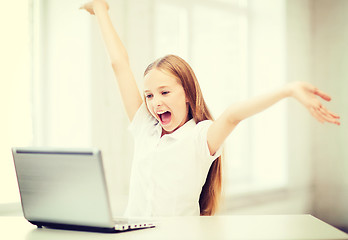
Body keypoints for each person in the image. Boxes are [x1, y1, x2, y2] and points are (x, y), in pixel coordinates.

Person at [80, 0, 340, 217]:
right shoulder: (144, 127)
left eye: (165, 92)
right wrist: (101, 10)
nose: (155, 102)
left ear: (188, 96)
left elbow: (234, 114)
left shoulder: (200, 137)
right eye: (149, 95)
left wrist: (288, 90)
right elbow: (119, 65)